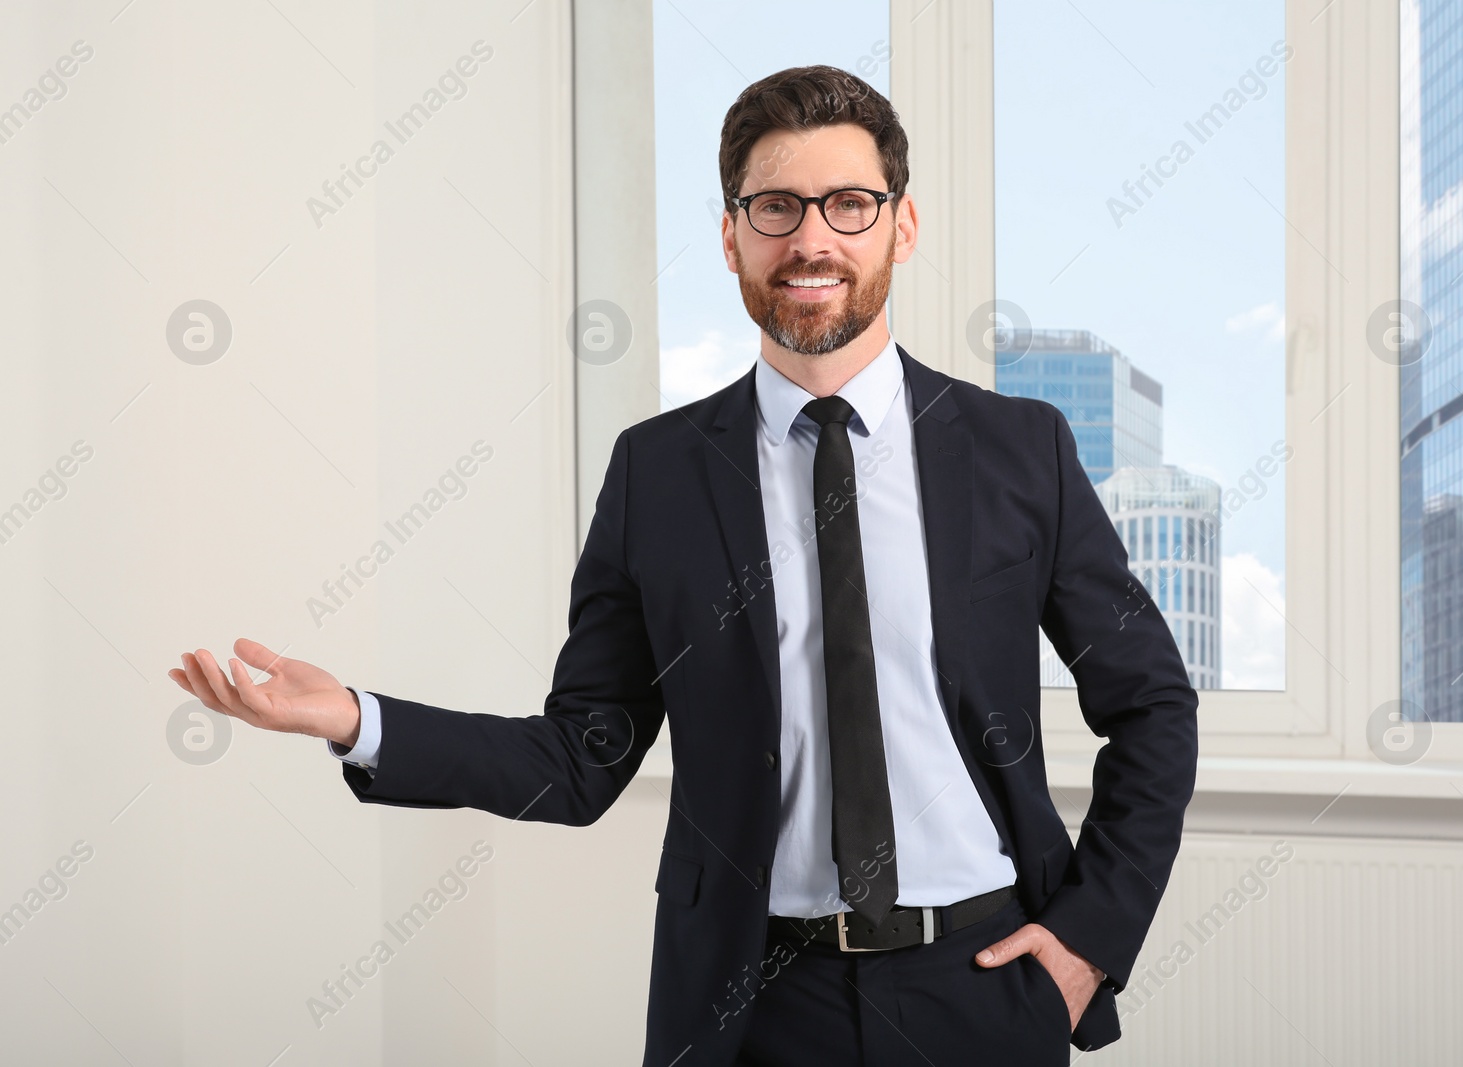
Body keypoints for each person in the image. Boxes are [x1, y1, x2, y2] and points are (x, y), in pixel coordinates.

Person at [169, 64, 1198, 1067]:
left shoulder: (1019, 449)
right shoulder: (657, 471)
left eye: (848, 203)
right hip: (749, 1003)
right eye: (775, 207)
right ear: (730, 235)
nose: (810, 239)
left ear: (902, 225)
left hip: (980, 984)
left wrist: (1084, 942)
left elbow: (1150, 700)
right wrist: (359, 718)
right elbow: (580, 756)